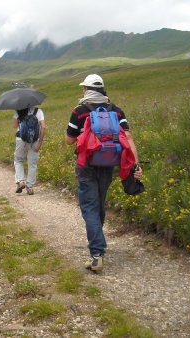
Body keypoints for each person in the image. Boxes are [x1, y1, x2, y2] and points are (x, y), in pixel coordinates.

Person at [65, 74, 143, 271]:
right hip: (108, 164)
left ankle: (97, 254)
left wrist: (85, 134)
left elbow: (69, 139)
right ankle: (97, 244)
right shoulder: (116, 111)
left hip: (86, 165)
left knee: (89, 207)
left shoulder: (79, 111)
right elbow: (128, 137)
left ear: (86, 90)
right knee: (99, 203)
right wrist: (136, 165)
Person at [13, 105, 46, 195]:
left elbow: (14, 125)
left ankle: (20, 181)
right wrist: (40, 143)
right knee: (32, 164)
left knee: (18, 160)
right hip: (34, 140)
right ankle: (29, 187)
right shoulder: (38, 111)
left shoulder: (17, 111)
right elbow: (43, 127)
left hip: (21, 139)